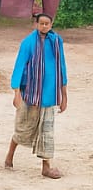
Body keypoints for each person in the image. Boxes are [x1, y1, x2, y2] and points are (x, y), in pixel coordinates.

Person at [5, 13, 68, 180]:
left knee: (47, 131)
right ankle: (10, 155)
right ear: (36, 24)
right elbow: (19, 67)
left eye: (47, 24)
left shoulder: (56, 42)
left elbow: (62, 66)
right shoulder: (28, 43)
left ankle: (46, 167)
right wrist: (16, 93)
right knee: (23, 128)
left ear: (51, 24)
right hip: (30, 94)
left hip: (49, 95)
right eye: (42, 23)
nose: (45, 26)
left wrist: (64, 95)